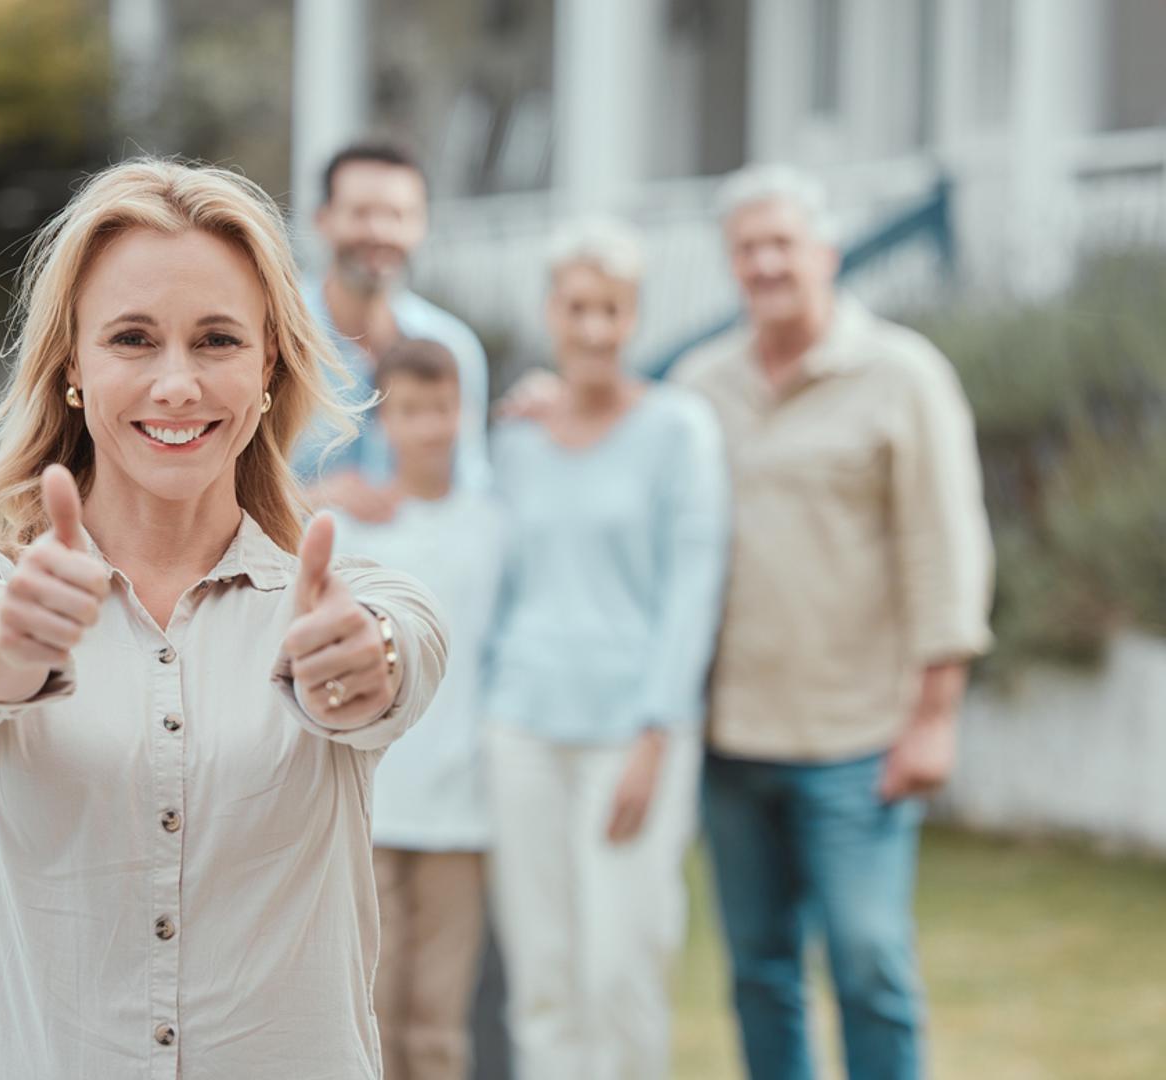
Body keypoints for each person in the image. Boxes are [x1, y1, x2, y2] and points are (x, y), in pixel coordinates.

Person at [0, 158, 448, 1080]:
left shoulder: (357, 599)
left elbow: (389, 659)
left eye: (216, 340)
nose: (176, 383)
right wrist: (13, 638)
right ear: (71, 367)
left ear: (268, 368)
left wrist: (363, 660)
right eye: (132, 339)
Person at [671, 165, 994, 1080]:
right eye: (746, 249)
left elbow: (947, 551)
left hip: (859, 737)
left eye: (782, 244)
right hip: (733, 736)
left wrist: (934, 713)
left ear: (826, 253)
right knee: (758, 973)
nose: (765, 263)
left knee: (867, 961)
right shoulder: (700, 384)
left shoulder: (902, 375)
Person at [486, 218, 731, 1080]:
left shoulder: (679, 432)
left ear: (634, 319)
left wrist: (656, 735)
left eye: (612, 311)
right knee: (544, 980)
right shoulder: (514, 441)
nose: (593, 328)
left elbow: (691, 591)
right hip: (521, 729)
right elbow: (495, 587)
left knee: (620, 970)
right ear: (551, 312)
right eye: (577, 307)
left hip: (631, 736)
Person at [330, 338, 504, 1080]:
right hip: (371, 801)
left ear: (463, 410)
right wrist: (314, 496)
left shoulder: (494, 526)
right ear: (382, 420)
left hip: (463, 806)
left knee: (439, 1017)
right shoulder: (351, 525)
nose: (428, 427)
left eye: (441, 408)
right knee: (369, 1003)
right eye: (409, 411)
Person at [293, 140, 491, 519]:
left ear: (421, 225)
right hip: (294, 570)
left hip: (418, 571)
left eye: (398, 215)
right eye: (361, 213)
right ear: (323, 219)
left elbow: (470, 485)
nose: (379, 232)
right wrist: (310, 499)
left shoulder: (454, 347)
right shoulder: (278, 337)